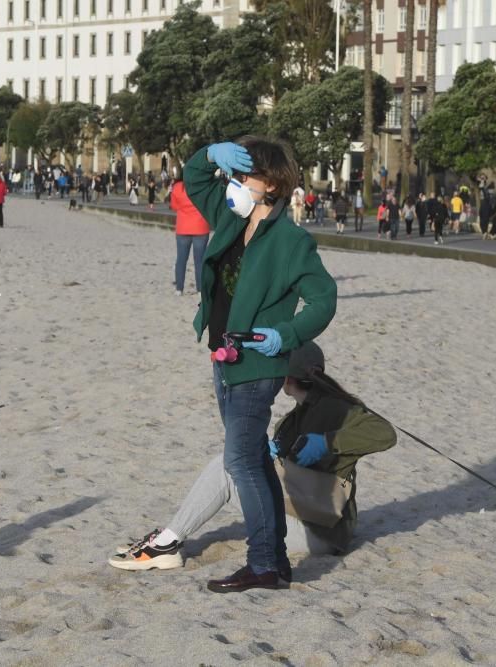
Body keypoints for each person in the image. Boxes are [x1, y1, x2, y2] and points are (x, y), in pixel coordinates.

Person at [174, 136, 337, 592]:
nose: (236, 182)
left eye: (246, 175)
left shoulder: (291, 240)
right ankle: (277, 561)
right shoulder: (231, 217)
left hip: (258, 364)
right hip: (223, 358)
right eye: (236, 172)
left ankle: (263, 563)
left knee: (241, 460)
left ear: (272, 184)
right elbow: (194, 178)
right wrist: (212, 154)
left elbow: (323, 300)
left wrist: (285, 336)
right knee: (255, 462)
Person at [109, 342, 396, 571]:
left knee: (227, 467)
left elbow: (385, 433)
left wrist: (328, 442)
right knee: (236, 463)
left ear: (287, 375)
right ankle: (168, 539)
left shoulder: (336, 407)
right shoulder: (293, 418)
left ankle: (166, 544)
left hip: (323, 532)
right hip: (303, 510)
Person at [169, 169, 210, 296]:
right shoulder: (202, 187)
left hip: (183, 227)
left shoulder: (177, 188)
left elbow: (174, 206)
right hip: (200, 227)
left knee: (181, 259)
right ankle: (200, 289)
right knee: (199, 261)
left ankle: (179, 288)